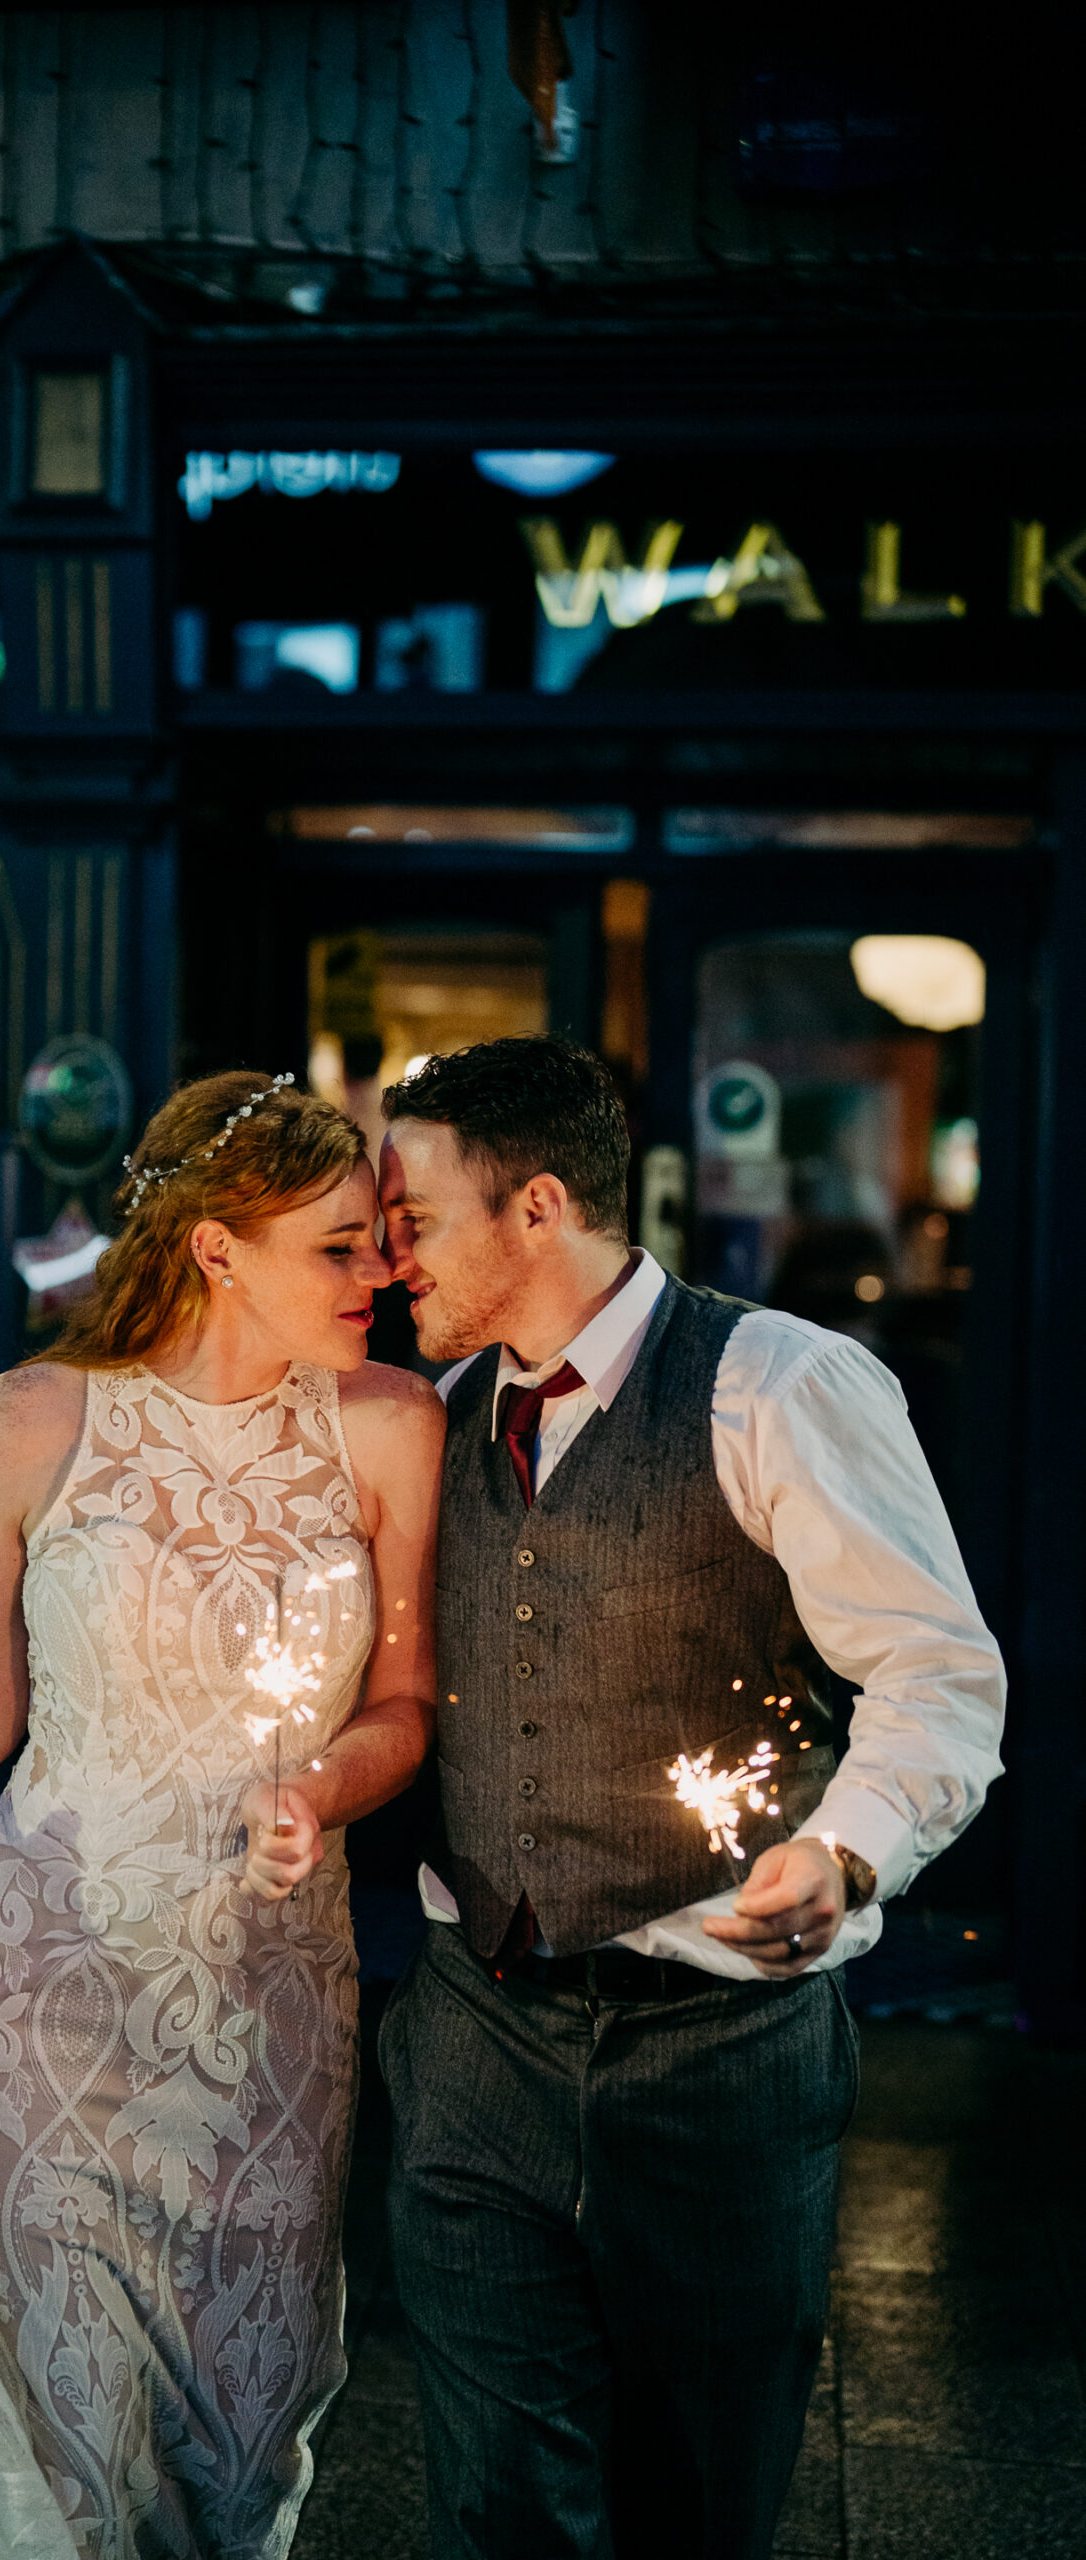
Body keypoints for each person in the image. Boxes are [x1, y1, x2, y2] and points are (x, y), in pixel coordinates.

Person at [374, 1035, 1004, 2560]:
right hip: (476, 2036)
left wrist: (846, 1854)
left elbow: (938, 1673)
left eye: (413, 1215)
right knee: (498, 2504)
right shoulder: (425, 1420)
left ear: (535, 1208)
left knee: (699, 2505)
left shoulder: (781, 1384)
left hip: (717, 2046)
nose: (391, 1258)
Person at [0, 1068, 443, 2560]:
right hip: (40, 1987)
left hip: (269, 1999)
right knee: (59, 2435)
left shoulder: (389, 1426)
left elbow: (406, 1706)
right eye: (339, 1245)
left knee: (245, 2439)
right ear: (215, 1248)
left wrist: (321, 1787)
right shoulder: (34, 1418)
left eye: (378, 1238)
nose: (380, 1271)